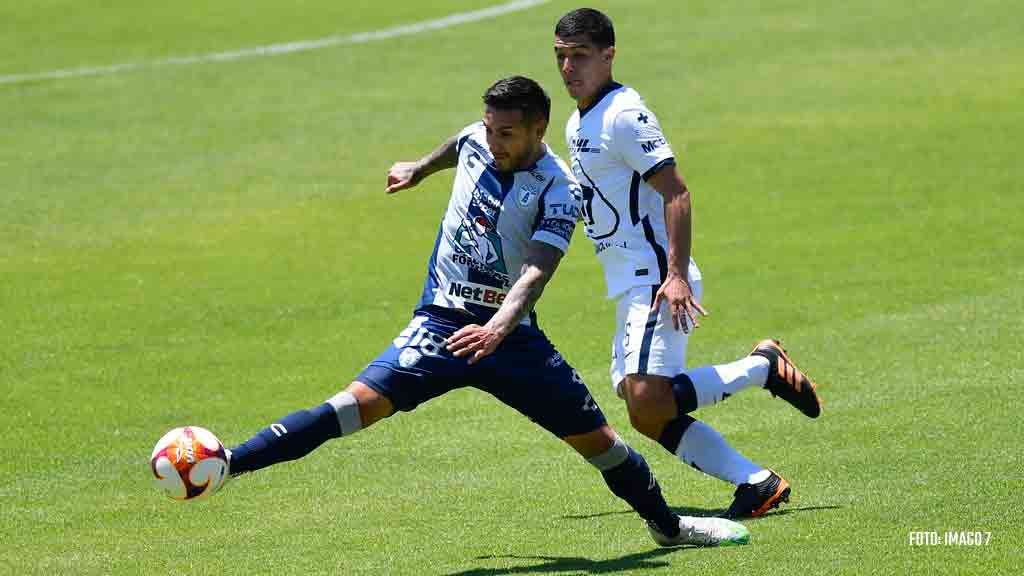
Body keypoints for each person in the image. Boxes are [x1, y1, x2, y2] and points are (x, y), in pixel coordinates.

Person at [212, 76, 749, 547]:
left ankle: (668, 528)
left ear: (539, 129)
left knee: (602, 445)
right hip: (441, 324)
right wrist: (419, 169)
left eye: (506, 135)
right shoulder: (478, 139)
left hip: (511, 339)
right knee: (353, 407)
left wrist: (496, 328)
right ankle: (231, 463)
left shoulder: (559, 190)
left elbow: (536, 271)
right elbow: (460, 144)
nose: (493, 143)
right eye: (490, 130)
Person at [552, 8, 823, 518]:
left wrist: (675, 275)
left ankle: (762, 369)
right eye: (561, 57)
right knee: (645, 411)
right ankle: (757, 483)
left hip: (655, 278)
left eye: (580, 56)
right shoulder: (578, 120)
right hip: (627, 281)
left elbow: (676, 192)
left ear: (608, 55)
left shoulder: (623, 115)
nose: (568, 68)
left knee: (648, 401)